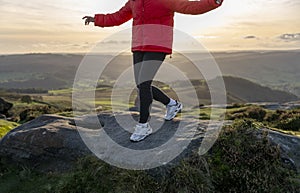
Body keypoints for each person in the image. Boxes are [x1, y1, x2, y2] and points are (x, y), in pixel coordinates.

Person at [83, 0, 223, 142]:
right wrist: (97, 19)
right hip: (139, 46)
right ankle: (172, 104)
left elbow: (189, 7)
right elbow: (118, 17)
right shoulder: (134, 1)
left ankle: (143, 125)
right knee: (141, 85)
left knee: (143, 84)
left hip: (158, 46)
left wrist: (213, 2)